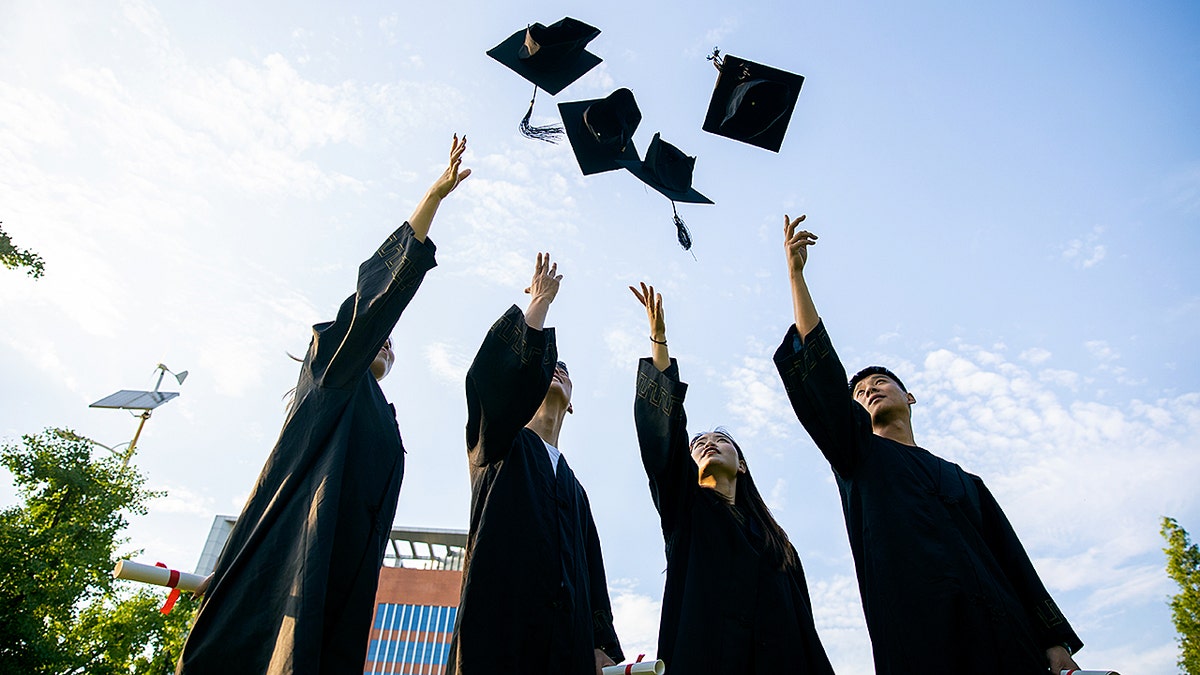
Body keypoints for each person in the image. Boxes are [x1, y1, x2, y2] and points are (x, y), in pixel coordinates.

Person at [177, 136, 471, 675]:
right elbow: (369, 307)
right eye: (377, 336)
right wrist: (431, 201)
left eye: (388, 342)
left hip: (344, 583)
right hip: (293, 566)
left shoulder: (383, 414)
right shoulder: (332, 371)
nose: (385, 342)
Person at [772, 214, 1085, 674]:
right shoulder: (858, 459)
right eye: (858, 392)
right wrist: (797, 278)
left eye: (880, 382)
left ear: (909, 396)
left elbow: (1014, 562)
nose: (869, 390)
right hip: (922, 637)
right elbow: (822, 380)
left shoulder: (965, 481)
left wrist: (1054, 641)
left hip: (1007, 636)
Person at [629, 282, 835, 675]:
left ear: (742, 464)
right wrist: (659, 340)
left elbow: (806, 635)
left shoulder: (778, 545)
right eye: (699, 443)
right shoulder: (686, 514)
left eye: (721, 440)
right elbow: (663, 442)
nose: (708, 444)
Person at [447, 253, 623, 675]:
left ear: (574, 404)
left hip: (567, 653)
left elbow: (593, 580)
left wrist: (601, 645)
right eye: (550, 366)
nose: (558, 370)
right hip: (502, 641)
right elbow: (495, 384)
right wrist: (539, 305)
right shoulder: (500, 442)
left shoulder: (575, 489)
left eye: (565, 371)